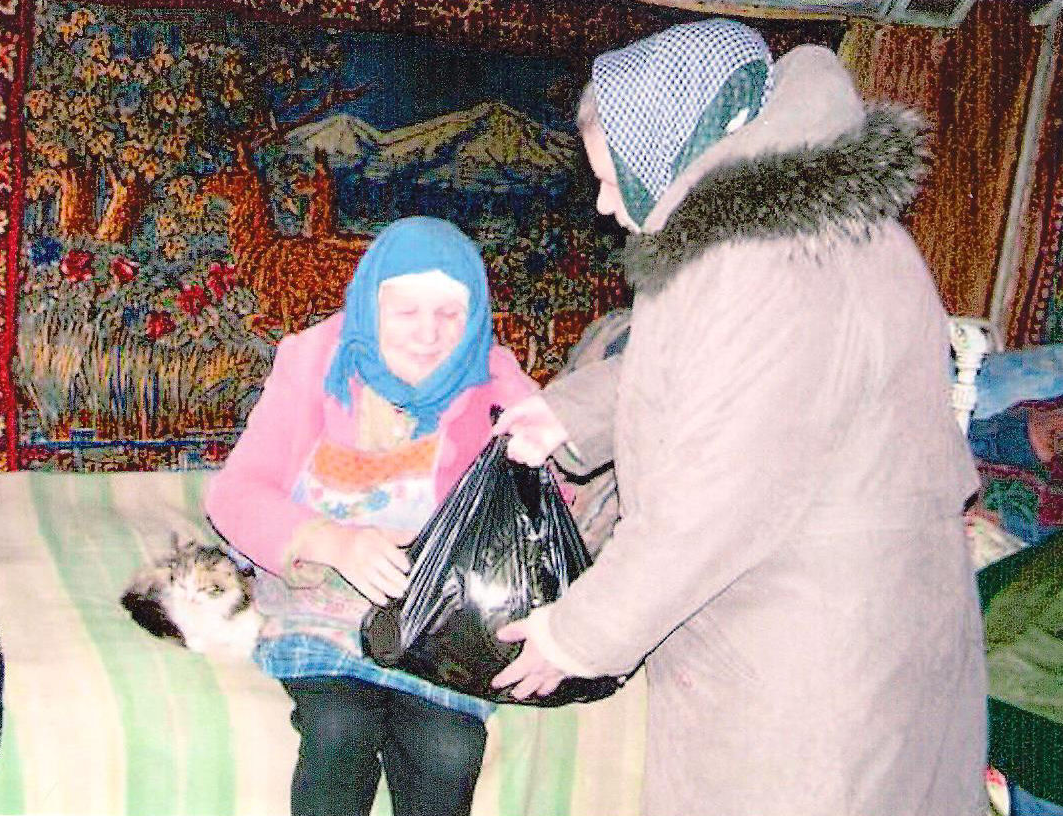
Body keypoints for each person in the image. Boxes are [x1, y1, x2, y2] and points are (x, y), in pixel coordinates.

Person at [489, 19, 988, 816]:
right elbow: (718, 377)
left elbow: (714, 501)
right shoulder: (805, 226)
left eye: (614, 179)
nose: (606, 206)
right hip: (855, 623)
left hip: (811, 660)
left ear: (669, 149)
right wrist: (566, 413)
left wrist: (576, 634)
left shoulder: (757, 259)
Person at [205, 216, 536, 816]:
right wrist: (331, 541)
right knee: (340, 727)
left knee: (451, 747)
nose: (429, 334)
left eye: (450, 314)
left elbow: (546, 505)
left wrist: (477, 527)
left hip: (434, 624)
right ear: (369, 303)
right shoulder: (314, 362)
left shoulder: (494, 380)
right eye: (406, 312)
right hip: (321, 607)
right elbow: (233, 494)